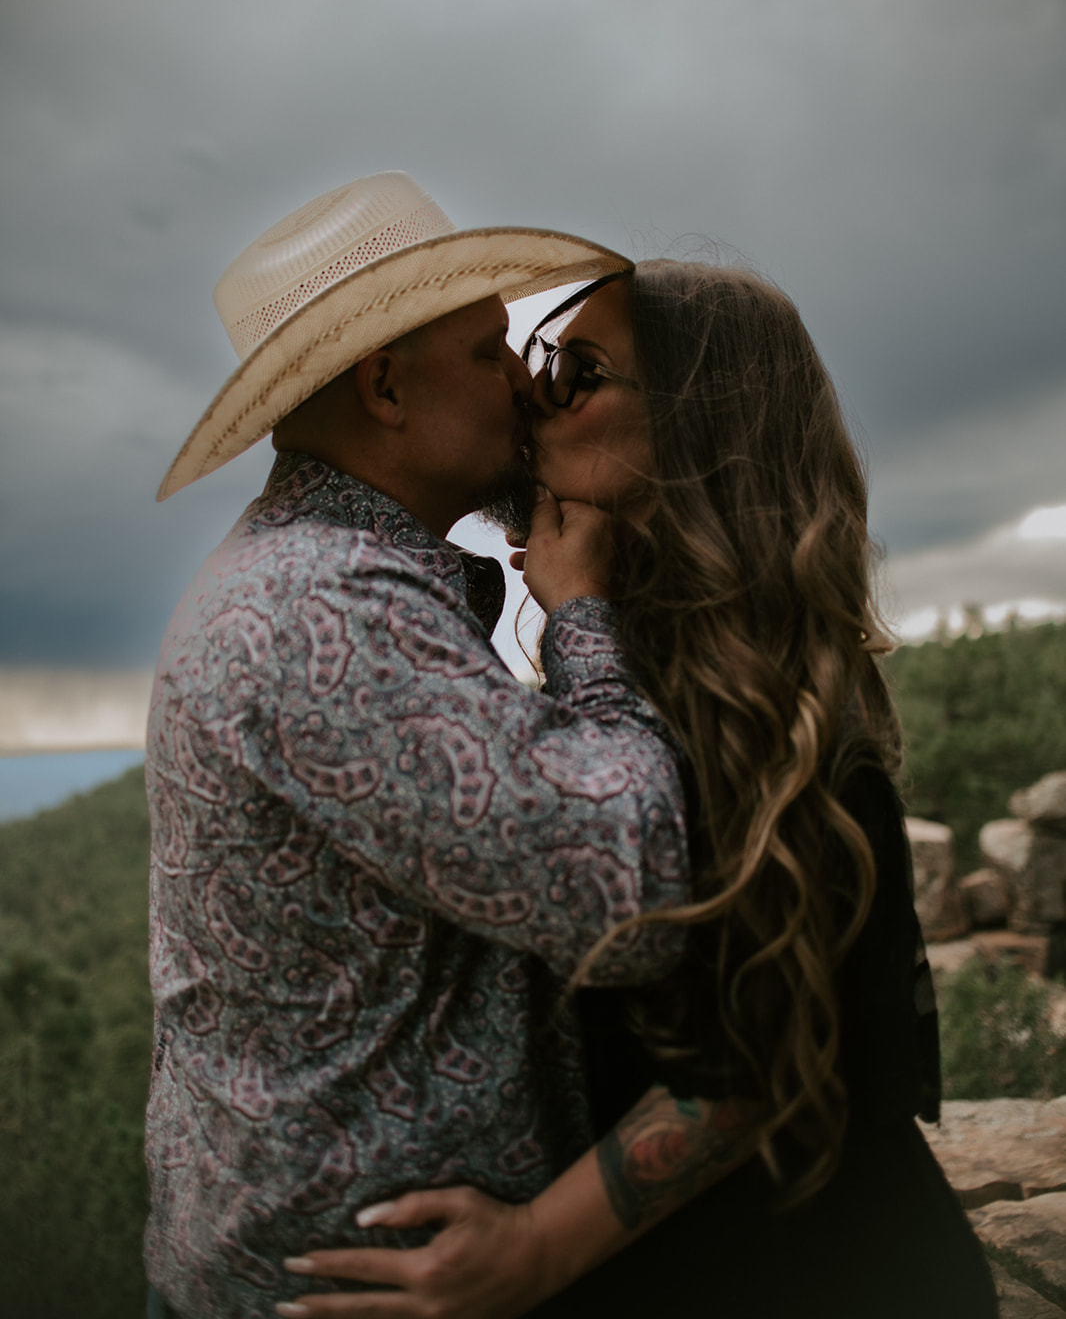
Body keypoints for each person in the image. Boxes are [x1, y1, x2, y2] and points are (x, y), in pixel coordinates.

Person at [281, 263, 999, 1318]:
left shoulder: (779, 714)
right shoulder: (631, 664)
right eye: (535, 360)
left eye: (578, 371)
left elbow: (755, 1054)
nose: (533, 392)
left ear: (697, 433)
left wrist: (529, 1250)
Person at [143, 173, 695, 1319]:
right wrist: (584, 613)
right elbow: (631, 893)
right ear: (386, 386)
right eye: (489, 353)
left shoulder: (318, 576)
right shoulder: (323, 606)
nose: (523, 386)